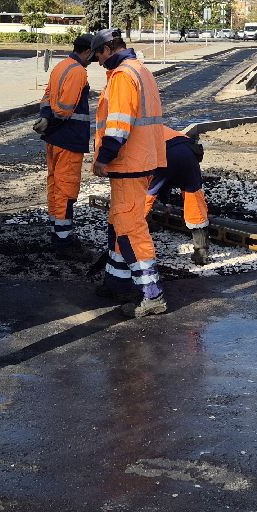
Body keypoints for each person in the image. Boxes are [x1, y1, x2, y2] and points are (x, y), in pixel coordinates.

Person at [89, 27, 169, 317]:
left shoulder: (123, 76)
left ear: (109, 49)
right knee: (120, 222)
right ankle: (117, 281)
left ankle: (152, 294)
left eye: (99, 55)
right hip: (142, 159)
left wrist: (103, 159)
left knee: (130, 227)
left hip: (128, 162)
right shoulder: (140, 70)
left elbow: (118, 126)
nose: (98, 62)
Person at [38, 33, 96, 257]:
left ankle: (56, 228)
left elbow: (47, 97)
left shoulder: (61, 66)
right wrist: (53, 119)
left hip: (54, 138)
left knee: (54, 182)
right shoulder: (78, 71)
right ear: (88, 51)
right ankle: (63, 240)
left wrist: (45, 118)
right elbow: (64, 108)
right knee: (66, 185)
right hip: (68, 137)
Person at [145, 126, 211, 264]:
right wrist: (166, 203)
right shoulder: (155, 125)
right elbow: (167, 181)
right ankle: (202, 252)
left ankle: (129, 237)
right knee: (194, 198)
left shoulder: (137, 132)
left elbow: (160, 180)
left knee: (145, 197)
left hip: (164, 153)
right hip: (188, 152)